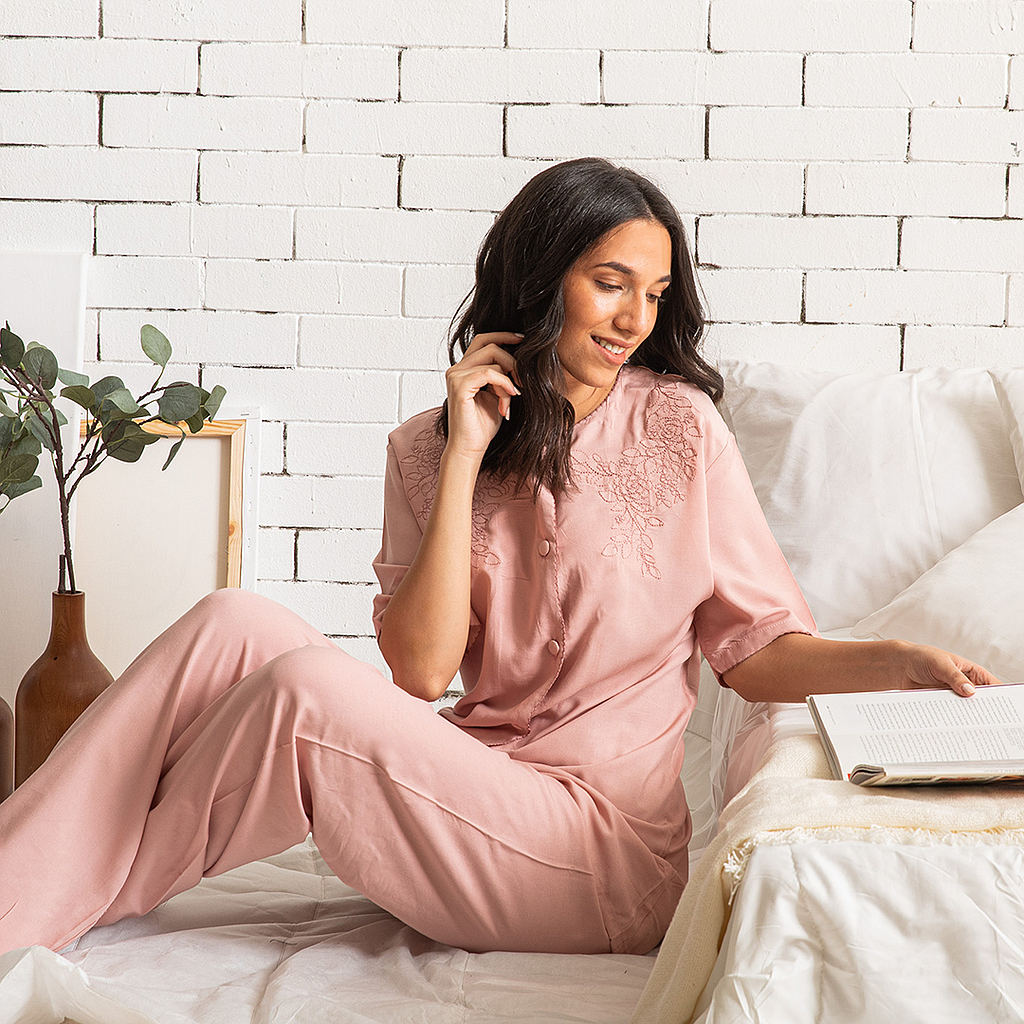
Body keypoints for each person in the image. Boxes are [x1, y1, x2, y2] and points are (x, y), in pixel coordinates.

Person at [0, 158, 997, 960]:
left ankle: (46, 898)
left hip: (600, 854)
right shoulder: (426, 448)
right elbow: (426, 674)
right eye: (608, 282)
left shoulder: (680, 429)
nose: (632, 317)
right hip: (474, 788)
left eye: (651, 291)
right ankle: (24, 877)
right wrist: (468, 451)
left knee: (303, 686)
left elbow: (755, 647)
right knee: (233, 621)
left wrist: (893, 662)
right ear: (539, 275)